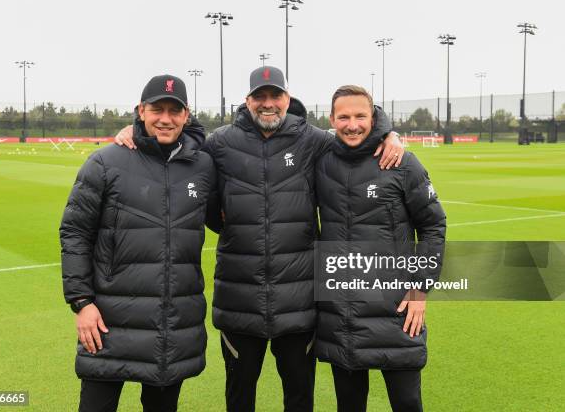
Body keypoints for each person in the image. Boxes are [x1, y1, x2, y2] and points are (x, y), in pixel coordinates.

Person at [114, 66, 404, 411]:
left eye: (275, 96)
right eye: (260, 97)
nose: (268, 104)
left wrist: (388, 131)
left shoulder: (313, 141)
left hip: (299, 299)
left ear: (287, 98)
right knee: (239, 396)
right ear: (248, 100)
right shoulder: (221, 143)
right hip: (240, 299)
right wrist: (132, 130)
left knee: (299, 397)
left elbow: (355, 131)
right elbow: (178, 136)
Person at [60, 74, 219, 412]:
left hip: (170, 322)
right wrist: (81, 301)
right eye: (156, 109)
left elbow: (227, 216)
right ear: (140, 111)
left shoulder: (202, 165)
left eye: (174, 111)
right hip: (107, 320)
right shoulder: (105, 162)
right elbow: (75, 231)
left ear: (187, 115)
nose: (165, 118)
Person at [314, 85, 447, 412]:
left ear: (374, 117)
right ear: (332, 119)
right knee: (349, 404)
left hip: (397, 309)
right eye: (343, 117)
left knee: (406, 402)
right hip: (341, 310)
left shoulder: (403, 162)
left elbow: (433, 225)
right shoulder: (320, 161)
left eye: (361, 116)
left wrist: (419, 288)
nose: (352, 124)